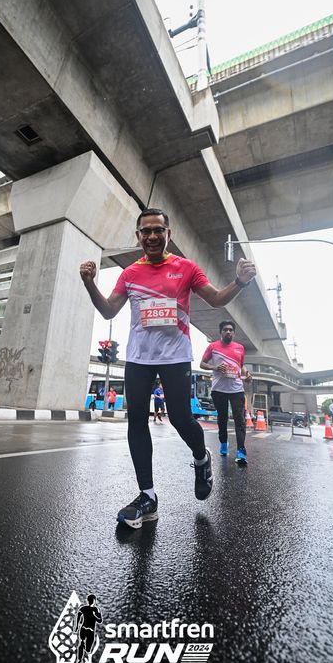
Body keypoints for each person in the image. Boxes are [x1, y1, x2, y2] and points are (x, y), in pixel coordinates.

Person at [79, 208, 256, 528]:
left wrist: (239, 283)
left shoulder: (186, 268)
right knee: (137, 422)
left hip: (175, 356)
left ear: (168, 234)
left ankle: (201, 458)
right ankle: (147, 496)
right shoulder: (130, 273)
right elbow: (108, 311)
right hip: (138, 358)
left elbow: (216, 299)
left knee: (180, 418)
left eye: (158, 230)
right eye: (146, 231)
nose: (152, 236)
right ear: (138, 236)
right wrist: (90, 283)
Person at [200, 321, 252, 466]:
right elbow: (202, 364)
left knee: (240, 420)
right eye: (225, 330)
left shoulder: (240, 348)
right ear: (221, 332)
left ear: (234, 333)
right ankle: (223, 443)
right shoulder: (213, 347)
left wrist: (247, 374)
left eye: (230, 330)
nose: (228, 332)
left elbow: (241, 366)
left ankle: (241, 451)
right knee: (222, 419)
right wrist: (215, 367)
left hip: (237, 389)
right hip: (219, 390)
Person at [75, 594, 102, 663]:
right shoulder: (84, 608)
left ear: (94, 601)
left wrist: (94, 615)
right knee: (81, 643)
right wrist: (76, 626)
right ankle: (79, 660)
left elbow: (100, 620)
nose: (91, 601)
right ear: (88, 601)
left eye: (92, 600)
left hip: (91, 631)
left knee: (88, 650)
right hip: (84, 629)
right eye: (90, 600)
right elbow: (78, 615)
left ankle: (85, 649)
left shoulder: (96, 609)